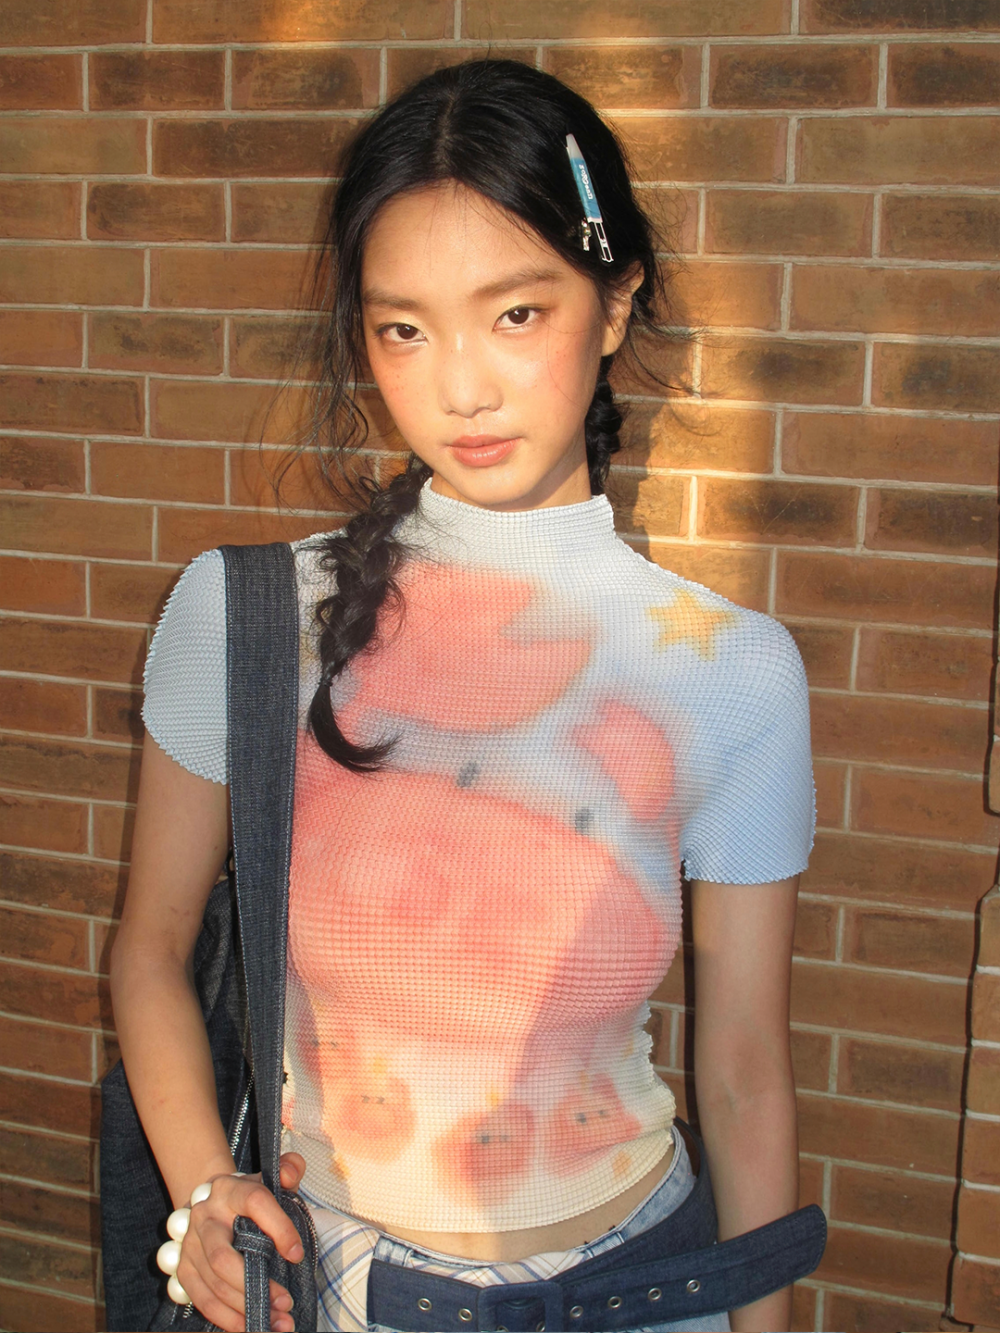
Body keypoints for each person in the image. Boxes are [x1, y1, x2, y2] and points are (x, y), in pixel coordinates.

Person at [109, 59, 815, 1333]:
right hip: (332, 1294)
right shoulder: (250, 618)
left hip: (640, 1293)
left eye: (516, 314)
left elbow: (746, 1068)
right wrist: (206, 1189)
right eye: (404, 329)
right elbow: (150, 949)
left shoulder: (732, 671)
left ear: (614, 303)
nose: (461, 388)